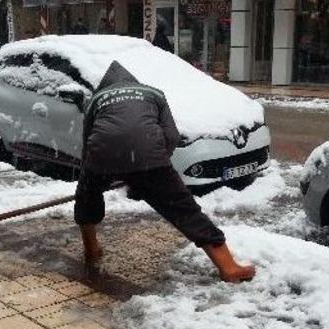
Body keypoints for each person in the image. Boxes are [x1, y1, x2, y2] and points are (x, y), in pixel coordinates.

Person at [75, 61, 255, 283]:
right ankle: (229, 267)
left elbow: (87, 141)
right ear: (133, 81)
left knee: (86, 199)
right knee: (184, 209)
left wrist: (91, 176)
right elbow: (172, 136)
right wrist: (156, 164)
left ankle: (91, 250)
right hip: (150, 156)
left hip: (100, 157)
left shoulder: (96, 99)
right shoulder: (153, 93)